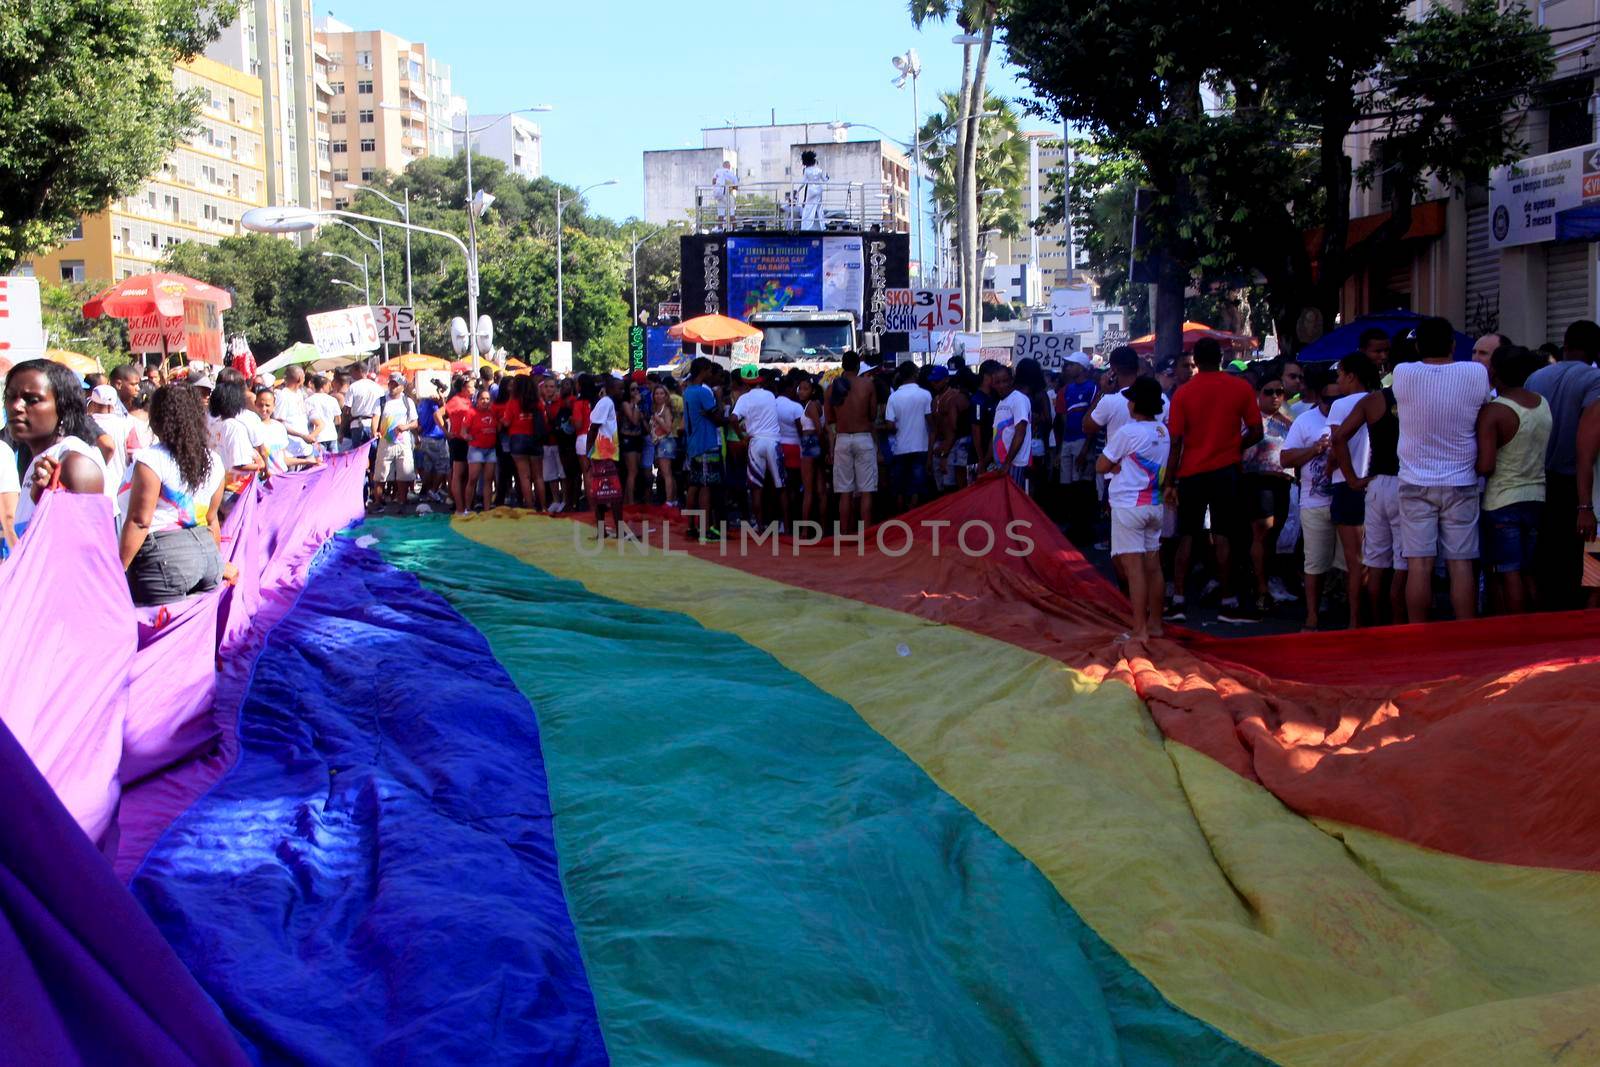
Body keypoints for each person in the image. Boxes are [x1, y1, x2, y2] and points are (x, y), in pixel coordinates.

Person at [1392, 316, 1492, 622]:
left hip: (1414, 481)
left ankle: (1418, 634)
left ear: (1418, 345)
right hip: (1461, 480)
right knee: (1461, 563)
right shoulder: (1475, 372)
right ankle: (1465, 635)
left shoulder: (1403, 372)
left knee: (1419, 564)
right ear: (1452, 345)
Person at [1163, 337, 1263, 621]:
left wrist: (1169, 481)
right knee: (1223, 534)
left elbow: (1176, 442)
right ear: (1220, 357)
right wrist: (1236, 446)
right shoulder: (1240, 387)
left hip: (1191, 472)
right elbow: (1256, 431)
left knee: (1187, 534)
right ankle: (1228, 600)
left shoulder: (1183, 393)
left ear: (1196, 359)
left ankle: (1179, 599)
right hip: (1226, 469)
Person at [118, 384, 227, 606]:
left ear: (157, 419)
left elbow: (140, 521)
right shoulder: (214, 461)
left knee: (161, 638)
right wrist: (218, 562)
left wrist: (118, 570)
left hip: (165, 561)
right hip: (207, 557)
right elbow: (212, 518)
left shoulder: (152, 459)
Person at [1528, 319, 1600, 610]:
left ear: (1565, 345)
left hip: (1541, 478)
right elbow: (1588, 440)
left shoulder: (1536, 377)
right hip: (1579, 484)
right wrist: (1585, 505)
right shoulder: (1594, 380)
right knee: (1577, 564)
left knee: (1548, 557)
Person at [1476, 345, 1551, 615]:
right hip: (1537, 496)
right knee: (1528, 570)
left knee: (1507, 571)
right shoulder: (1542, 403)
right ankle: (1534, 629)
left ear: (1494, 372)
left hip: (1502, 500)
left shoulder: (1495, 410)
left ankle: (1515, 631)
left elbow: (1486, 465)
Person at [1330, 362, 1406, 625]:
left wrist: (1352, 479)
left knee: (1374, 560)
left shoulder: (1374, 401)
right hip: (1407, 483)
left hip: (1376, 484)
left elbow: (1338, 438)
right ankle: (1398, 625)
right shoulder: (1422, 398)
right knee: (1405, 561)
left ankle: (1371, 623)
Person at [1096, 377, 1171, 641]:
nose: (1127, 403)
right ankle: (1155, 625)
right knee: (1153, 566)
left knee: (1134, 568)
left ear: (1136, 403)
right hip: (1154, 504)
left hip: (1129, 505)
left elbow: (1101, 465)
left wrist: (1118, 466)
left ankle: (1139, 629)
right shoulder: (1163, 431)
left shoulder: (1128, 432)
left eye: (1130, 399)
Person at [4, 359, 111, 542]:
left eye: (32, 400)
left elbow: (86, 552)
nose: (16, 407)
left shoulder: (74, 463)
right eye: (10, 396)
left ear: (62, 408)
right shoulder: (41, 459)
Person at [1326, 353, 1384, 627]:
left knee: (1355, 561)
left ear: (1351, 376)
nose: (1338, 381)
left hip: (1349, 485)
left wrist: (1335, 472)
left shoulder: (1341, 405)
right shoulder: (1380, 400)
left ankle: (1354, 622)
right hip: (1377, 482)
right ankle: (1377, 615)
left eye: (1339, 375)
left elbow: (1338, 445)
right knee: (1377, 557)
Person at [1281, 370, 1343, 631]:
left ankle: (1350, 616)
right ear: (1318, 397)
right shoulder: (1305, 421)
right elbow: (1285, 460)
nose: (1332, 406)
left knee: (1350, 563)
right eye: (1328, 401)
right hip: (1314, 502)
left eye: (1338, 400)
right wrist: (1315, 449)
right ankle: (1312, 616)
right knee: (1315, 562)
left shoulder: (1353, 414)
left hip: (1346, 500)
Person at [1241, 372, 1295, 613]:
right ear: (1258, 393)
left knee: (1274, 536)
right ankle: (1261, 588)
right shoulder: (1250, 419)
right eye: (1269, 392)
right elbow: (1243, 452)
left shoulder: (1288, 418)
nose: (1275, 397)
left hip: (1283, 483)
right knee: (1262, 534)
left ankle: (1265, 581)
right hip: (1258, 482)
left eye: (1280, 392)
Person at [828, 351, 879, 531]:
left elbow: (829, 418)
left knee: (845, 492)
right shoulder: (867, 385)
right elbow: (873, 415)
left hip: (842, 439)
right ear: (858, 366)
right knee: (866, 491)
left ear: (842, 365)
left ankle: (844, 534)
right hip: (863, 437)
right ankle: (866, 534)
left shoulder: (831, 388)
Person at [732, 368, 786, 530]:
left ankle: (760, 525)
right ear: (759, 380)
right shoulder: (769, 395)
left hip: (755, 442)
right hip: (773, 441)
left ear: (744, 382)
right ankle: (787, 526)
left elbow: (733, 419)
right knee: (780, 486)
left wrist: (742, 437)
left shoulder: (743, 399)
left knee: (756, 487)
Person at [682, 358, 725, 541]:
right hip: (706, 442)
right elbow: (717, 417)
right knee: (706, 487)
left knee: (695, 485)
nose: (711, 374)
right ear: (704, 371)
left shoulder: (688, 391)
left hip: (693, 443)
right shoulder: (703, 392)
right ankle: (706, 530)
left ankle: (692, 526)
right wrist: (719, 400)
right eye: (709, 370)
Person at [884, 361, 933, 512]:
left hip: (901, 447)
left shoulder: (894, 397)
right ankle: (915, 514)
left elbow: (890, 425)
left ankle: (900, 516)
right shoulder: (925, 395)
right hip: (921, 446)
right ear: (915, 374)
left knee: (900, 486)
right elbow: (930, 422)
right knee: (917, 486)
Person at [371, 374, 417, 512]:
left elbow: (415, 422)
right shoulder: (381, 401)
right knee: (380, 473)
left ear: (402, 387)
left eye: (395, 385)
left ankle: (401, 502)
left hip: (403, 442)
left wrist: (405, 427)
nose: (392, 387)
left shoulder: (408, 402)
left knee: (404, 473)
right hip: (386, 442)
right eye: (390, 383)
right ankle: (378, 502)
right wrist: (375, 431)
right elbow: (375, 417)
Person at [587, 376, 625, 538]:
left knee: (602, 492)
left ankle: (603, 530)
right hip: (603, 453)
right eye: (619, 388)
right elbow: (594, 427)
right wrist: (589, 451)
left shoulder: (607, 402)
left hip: (605, 451)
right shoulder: (607, 402)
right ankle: (618, 530)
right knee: (614, 493)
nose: (621, 391)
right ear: (610, 388)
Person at [502, 374, 543, 510]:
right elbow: (544, 419)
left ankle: (530, 507)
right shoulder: (537, 402)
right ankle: (542, 507)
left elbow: (507, 422)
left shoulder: (513, 402)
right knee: (538, 476)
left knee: (524, 476)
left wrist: (501, 421)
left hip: (518, 439)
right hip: (535, 438)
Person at [930, 366, 971, 495]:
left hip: (951, 445)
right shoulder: (935, 400)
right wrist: (930, 455)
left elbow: (953, 429)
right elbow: (935, 429)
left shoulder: (954, 397)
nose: (934, 383)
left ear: (946, 379)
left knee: (950, 486)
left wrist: (944, 454)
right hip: (940, 445)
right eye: (933, 380)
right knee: (940, 486)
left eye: (938, 380)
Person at [990, 364, 1032, 490]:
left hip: (1015, 463)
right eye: (997, 382)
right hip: (1003, 463)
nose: (1002, 385)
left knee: (1014, 501)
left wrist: (1007, 463)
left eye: (1005, 381)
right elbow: (996, 433)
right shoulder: (1001, 402)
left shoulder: (1018, 399)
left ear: (1011, 380)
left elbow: (1020, 432)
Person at [413, 376, 450, 506]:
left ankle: (426, 491)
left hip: (425, 438)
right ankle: (433, 490)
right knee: (443, 466)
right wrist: (446, 433)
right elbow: (443, 412)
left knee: (428, 467)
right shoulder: (431, 402)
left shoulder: (421, 403)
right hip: (436, 437)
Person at [773, 376, 807, 519]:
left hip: (778, 447)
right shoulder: (796, 407)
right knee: (794, 486)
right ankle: (793, 519)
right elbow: (802, 430)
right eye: (795, 388)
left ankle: (783, 521)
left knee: (782, 487)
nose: (797, 391)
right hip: (794, 447)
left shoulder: (772, 404)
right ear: (788, 389)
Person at [464, 387, 499, 512]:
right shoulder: (471, 413)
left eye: (488, 399)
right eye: (482, 399)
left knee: (488, 480)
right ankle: (468, 508)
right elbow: (463, 432)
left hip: (490, 450)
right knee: (473, 479)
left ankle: (487, 509)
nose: (485, 401)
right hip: (476, 449)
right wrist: (468, 437)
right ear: (477, 400)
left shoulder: (493, 413)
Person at [443, 377, 474, 514]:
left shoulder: (468, 401)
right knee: (458, 474)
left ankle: (464, 506)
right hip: (458, 441)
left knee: (466, 474)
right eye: (471, 387)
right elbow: (438, 414)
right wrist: (446, 432)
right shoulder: (455, 401)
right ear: (463, 388)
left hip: (468, 441)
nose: (473, 389)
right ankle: (459, 507)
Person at [537, 376, 567, 513]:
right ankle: (555, 500)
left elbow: (554, 419)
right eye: (546, 386)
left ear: (556, 388)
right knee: (550, 474)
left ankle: (565, 500)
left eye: (552, 386)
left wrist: (548, 404)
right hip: (545, 443)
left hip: (559, 443)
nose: (549, 389)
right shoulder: (539, 403)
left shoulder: (559, 403)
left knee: (562, 473)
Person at [274, 365, 317, 458]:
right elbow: (279, 423)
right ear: (300, 378)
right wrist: (301, 435)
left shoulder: (299, 393)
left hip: (305, 448)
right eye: (304, 377)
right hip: (292, 451)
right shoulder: (283, 396)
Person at [650, 382, 680, 509]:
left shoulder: (665, 410)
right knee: (667, 473)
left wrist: (658, 420)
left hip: (665, 442)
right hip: (660, 442)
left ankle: (669, 500)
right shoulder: (656, 409)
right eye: (656, 393)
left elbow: (668, 428)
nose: (659, 396)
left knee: (666, 472)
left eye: (661, 393)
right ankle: (673, 499)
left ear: (666, 395)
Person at [619, 377, 648, 506]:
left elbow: (642, 421)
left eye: (637, 389)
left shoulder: (639, 404)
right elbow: (634, 420)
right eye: (632, 389)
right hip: (628, 439)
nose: (636, 391)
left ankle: (628, 500)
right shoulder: (625, 404)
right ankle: (630, 502)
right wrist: (636, 404)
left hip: (638, 438)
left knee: (636, 471)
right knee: (632, 472)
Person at [344, 363, 384, 450]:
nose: (351, 374)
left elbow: (346, 410)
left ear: (359, 371)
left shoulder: (353, 387)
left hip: (356, 426)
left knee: (358, 456)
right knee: (373, 455)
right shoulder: (378, 388)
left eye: (352, 371)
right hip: (373, 425)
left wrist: (341, 430)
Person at [307, 373, 342, 456]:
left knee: (320, 462)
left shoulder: (308, 401)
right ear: (324, 385)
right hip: (332, 435)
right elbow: (338, 420)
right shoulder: (332, 400)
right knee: (334, 463)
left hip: (317, 437)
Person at [799, 149, 829, 230]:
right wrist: (827, 177)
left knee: (808, 207)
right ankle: (822, 226)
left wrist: (798, 190)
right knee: (819, 207)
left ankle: (806, 226)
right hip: (819, 189)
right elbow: (825, 180)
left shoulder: (807, 170)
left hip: (811, 189)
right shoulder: (819, 170)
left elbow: (803, 182)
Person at [712, 158, 738, 229]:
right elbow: (736, 187)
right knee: (731, 213)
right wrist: (729, 185)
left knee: (720, 214)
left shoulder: (717, 171)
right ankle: (735, 230)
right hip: (728, 195)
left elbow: (713, 181)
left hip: (719, 195)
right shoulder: (731, 173)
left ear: (723, 166)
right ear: (729, 166)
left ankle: (720, 230)